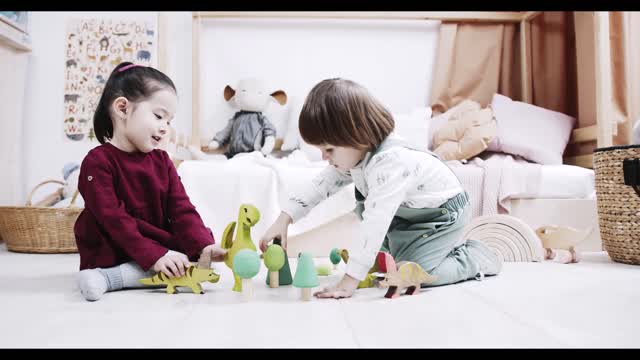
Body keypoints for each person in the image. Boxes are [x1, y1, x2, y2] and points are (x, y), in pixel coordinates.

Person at [259, 78, 502, 299]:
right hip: (407, 215)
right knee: (392, 267)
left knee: (418, 274)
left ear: (357, 136)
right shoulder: (358, 153)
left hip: (442, 216)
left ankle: (474, 258)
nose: (324, 157)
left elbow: (376, 221)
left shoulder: (390, 163)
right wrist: (285, 218)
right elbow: (320, 186)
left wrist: (349, 280)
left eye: (329, 149)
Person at [74, 62, 226, 301]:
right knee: (164, 263)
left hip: (151, 244)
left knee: (193, 261)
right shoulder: (97, 162)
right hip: (111, 247)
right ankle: (106, 277)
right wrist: (155, 255)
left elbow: (181, 209)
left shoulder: (162, 161)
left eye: (169, 121)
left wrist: (203, 245)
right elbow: (113, 219)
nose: (165, 128)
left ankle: (150, 268)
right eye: (158, 116)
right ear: (123, 108)